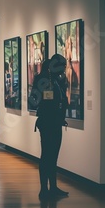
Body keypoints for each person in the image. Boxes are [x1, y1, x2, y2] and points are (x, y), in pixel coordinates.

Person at [31, 54, 69, 200]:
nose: (64, 69)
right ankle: (43, 189)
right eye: (62, 66)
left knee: (53, 156)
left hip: (55, 122)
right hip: (47, 123)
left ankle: (52, 187)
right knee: (47, 155)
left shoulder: (57, 80)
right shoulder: (43, 79)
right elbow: (38, 100)